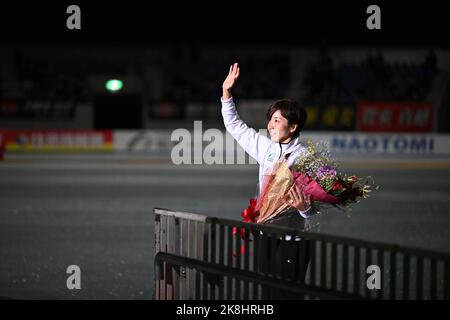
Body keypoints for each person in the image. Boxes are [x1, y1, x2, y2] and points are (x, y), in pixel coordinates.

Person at [221, 63, 318, 298]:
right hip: (265, 234)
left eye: (277, 120)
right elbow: (236, 127)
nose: (270, 125)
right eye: (270, 119)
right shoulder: (267, 148)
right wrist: (226, 93)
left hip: (292, 239)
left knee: (286, 296)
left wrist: (305, 209)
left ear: (293, 127)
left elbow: (316, 205)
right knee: (267, 293)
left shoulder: (305, 157)